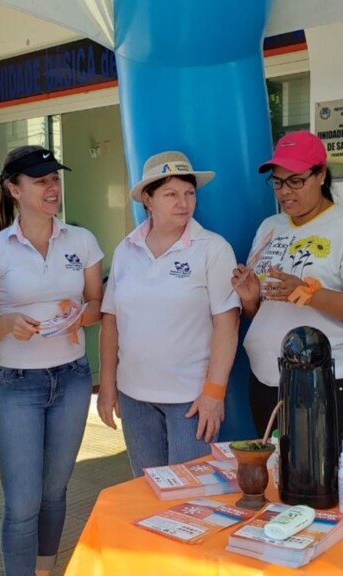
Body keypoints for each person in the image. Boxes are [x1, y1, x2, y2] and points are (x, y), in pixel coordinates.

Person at [0, 146, 103, 576]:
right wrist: (8, 323)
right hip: (17, 385)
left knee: (54, 492)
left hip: (73, 379)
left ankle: (46, 571)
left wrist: (82, 315)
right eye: (41, 180)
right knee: (22, 501)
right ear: (14, 188)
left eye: (55, 179)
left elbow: (98, 304)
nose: (53, 187)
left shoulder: (80, 240)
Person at [233, 131, 343, 454]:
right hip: (267, 380)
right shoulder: (269, 227)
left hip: (332, 382)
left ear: (321, 174)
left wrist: (310, 294)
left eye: (296, 181)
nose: (285, 192)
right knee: (278, 480)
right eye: (277, 182)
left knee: (327, 484)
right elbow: (262, 313)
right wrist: (249, 297)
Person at [98, 151, 240, 477]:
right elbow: (110, 320)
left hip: (191, 401)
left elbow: (227, 323)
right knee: (147, 491)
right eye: (171, 194)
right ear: (148, 199)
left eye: (189, 193)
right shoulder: (126, 249)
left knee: (189, 500)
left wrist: (214, 393)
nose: (184, 203)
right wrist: (108, 386)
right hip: (134, 397)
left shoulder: (213, 248)